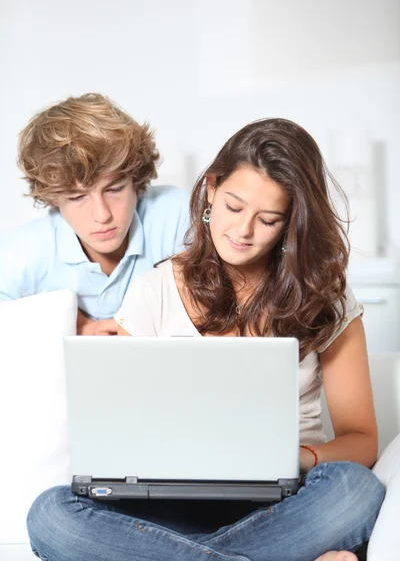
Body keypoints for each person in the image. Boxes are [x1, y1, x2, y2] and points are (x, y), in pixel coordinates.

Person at [27, 118, 384, 561]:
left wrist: (298, 458)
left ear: (292, 222)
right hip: (166, 507)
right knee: (51, 514)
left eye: (268, 219)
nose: (243, 232)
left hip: (284, 504)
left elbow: (362, 439)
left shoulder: (325, 298)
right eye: (234, 207)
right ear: (212, 189)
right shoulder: (155, 289)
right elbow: (119, 429)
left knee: (354, 489)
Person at [0, 93, 189, 334]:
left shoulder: (175, 213)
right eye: (78, 197)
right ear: (54, 198)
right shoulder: (26, 250)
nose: (102, 215)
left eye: (114, 189)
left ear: (136, 179)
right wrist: (72, 324)